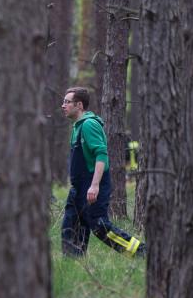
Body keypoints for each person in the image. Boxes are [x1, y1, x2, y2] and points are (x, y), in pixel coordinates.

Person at [60, 87, 145, 257]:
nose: (63, 106)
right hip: (78, 188)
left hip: (92, 186)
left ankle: (140, 252)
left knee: (100, 227)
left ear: (79, 105)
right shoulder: (77, 127)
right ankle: (75, 262)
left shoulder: (89, 125)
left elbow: (101, 155)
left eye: (67, 102)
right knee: (71, 225)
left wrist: (94, 186)